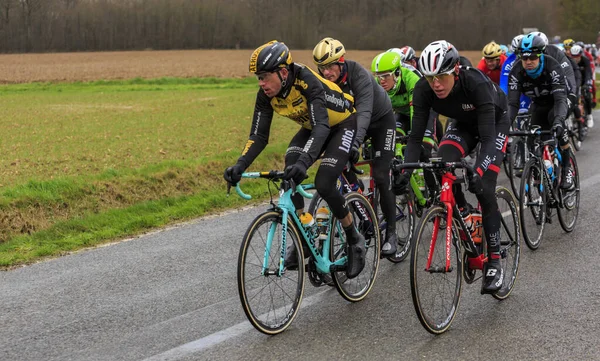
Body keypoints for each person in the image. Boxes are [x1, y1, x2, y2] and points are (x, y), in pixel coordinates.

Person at [223, 40, 366, 278]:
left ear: (282, 72)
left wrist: (305, 162)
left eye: (264, 77)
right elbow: (258, 136)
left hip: (341, 124)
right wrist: (240, 164)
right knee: (289, 169)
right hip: (313, 126)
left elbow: (322, 127)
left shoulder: (306, 81)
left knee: (324, 182)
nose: (261, 83)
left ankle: (354, 238)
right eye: (258, 78)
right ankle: (303, 233)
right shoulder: (266, 94)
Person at [392, 40, 510, 294]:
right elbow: (415, 137)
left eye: (442, 77)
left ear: (455, 71)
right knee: (441, 163)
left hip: (494, 124)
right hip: (463, 125)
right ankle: (464, 214)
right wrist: (405, 171)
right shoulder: (423, 90)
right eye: (431, 77)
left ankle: (495, 261)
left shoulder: (475, 84)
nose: (436, 84)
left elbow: (488, 140)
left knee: (485, 186)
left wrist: (478, 172)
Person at [312, 37, 398, 256]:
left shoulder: (358, 75)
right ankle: (357, 194)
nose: (327, 73)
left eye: (331, 66)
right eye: (322, 68)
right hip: (349, 122)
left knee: (380, 175)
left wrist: (356, 143)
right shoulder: (324, 82)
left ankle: (391, 234)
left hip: (379, 121)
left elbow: (365, 113)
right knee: (338, 165)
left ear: (342, 61)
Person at [508, 33, 575, 190]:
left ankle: (566, 169)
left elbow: (560, 100)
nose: (528, 62)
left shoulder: (552, 67)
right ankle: (539, 175)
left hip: (561, 99)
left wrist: (559, 120)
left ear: (541, 55)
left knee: (557, 124)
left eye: (532, 57)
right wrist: (505, 127)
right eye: (524, 58)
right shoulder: (516, 71)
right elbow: (512, 104)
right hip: (539, 103)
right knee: (532, 136)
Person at [370, 51, 439, 193]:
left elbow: (417, 117)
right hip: (401, 113)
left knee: (422, 150)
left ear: (397, 73)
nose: (381, 80)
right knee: (393, 140)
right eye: (378, 76)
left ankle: (434, 190)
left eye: (385, 76)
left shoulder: (412, 80)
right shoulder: (377, 85)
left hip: (423, 111)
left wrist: (415, 138)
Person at [567, 44, 595, 128]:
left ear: (581, 55)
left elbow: (588, 73)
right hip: (575, 82)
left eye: (577, 57)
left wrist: (587, 84)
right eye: (573, 56)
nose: (575, 59)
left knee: (587, 96)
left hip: (584, 81)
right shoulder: (570, 62)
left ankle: (589, 115)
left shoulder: (585, 60)